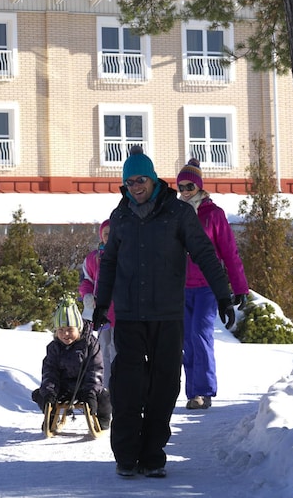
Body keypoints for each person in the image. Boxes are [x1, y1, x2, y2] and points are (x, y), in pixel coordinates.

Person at [92, 146, 234, 478]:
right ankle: (126, 455)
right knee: (127, 386)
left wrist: (223, 295)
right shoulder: (121, 217)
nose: (135, 186)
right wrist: (101, 304)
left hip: (168, 315)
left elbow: (204, 253)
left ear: (153, 179)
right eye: (129, 182)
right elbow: (108, 262)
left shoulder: (178, 214)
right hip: (128, 314)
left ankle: (153, 454)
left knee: (165, 385)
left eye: (141, 179)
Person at [176, 158, 249, 411]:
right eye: (181, 187)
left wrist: (239, 287)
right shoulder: (175, 214)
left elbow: (230, 252)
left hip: (207, 286)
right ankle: (192, 392)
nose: (185, 191)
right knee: (186, 339)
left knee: (200, 334)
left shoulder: (213, 215)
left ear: (199, 186)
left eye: (189, 186)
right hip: (180, 287)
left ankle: (203, 391)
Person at [31, 298, 112, 429]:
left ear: (78, 328)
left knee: (104, 396)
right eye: (61, 330)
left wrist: (90, 392)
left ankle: (103, 418)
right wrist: (49, 393)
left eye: (70, 329)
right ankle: (50, 415)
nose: (65, 334)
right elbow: (49, 372)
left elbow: (95, 370)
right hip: (62, 388)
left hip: (85, 387)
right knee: (40, 394)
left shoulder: (90, 344)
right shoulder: (54, 347)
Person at [79, 220, 115, 387]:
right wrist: (87, 294)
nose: (109, 236)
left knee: (118, 351)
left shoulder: (126, 253)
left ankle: (120, 389)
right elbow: (87, 280)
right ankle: (104, 389)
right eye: (105, 233)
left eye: (112, 232)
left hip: (122, 311)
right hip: (102, 311)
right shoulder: (93, 258)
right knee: (102, 351)